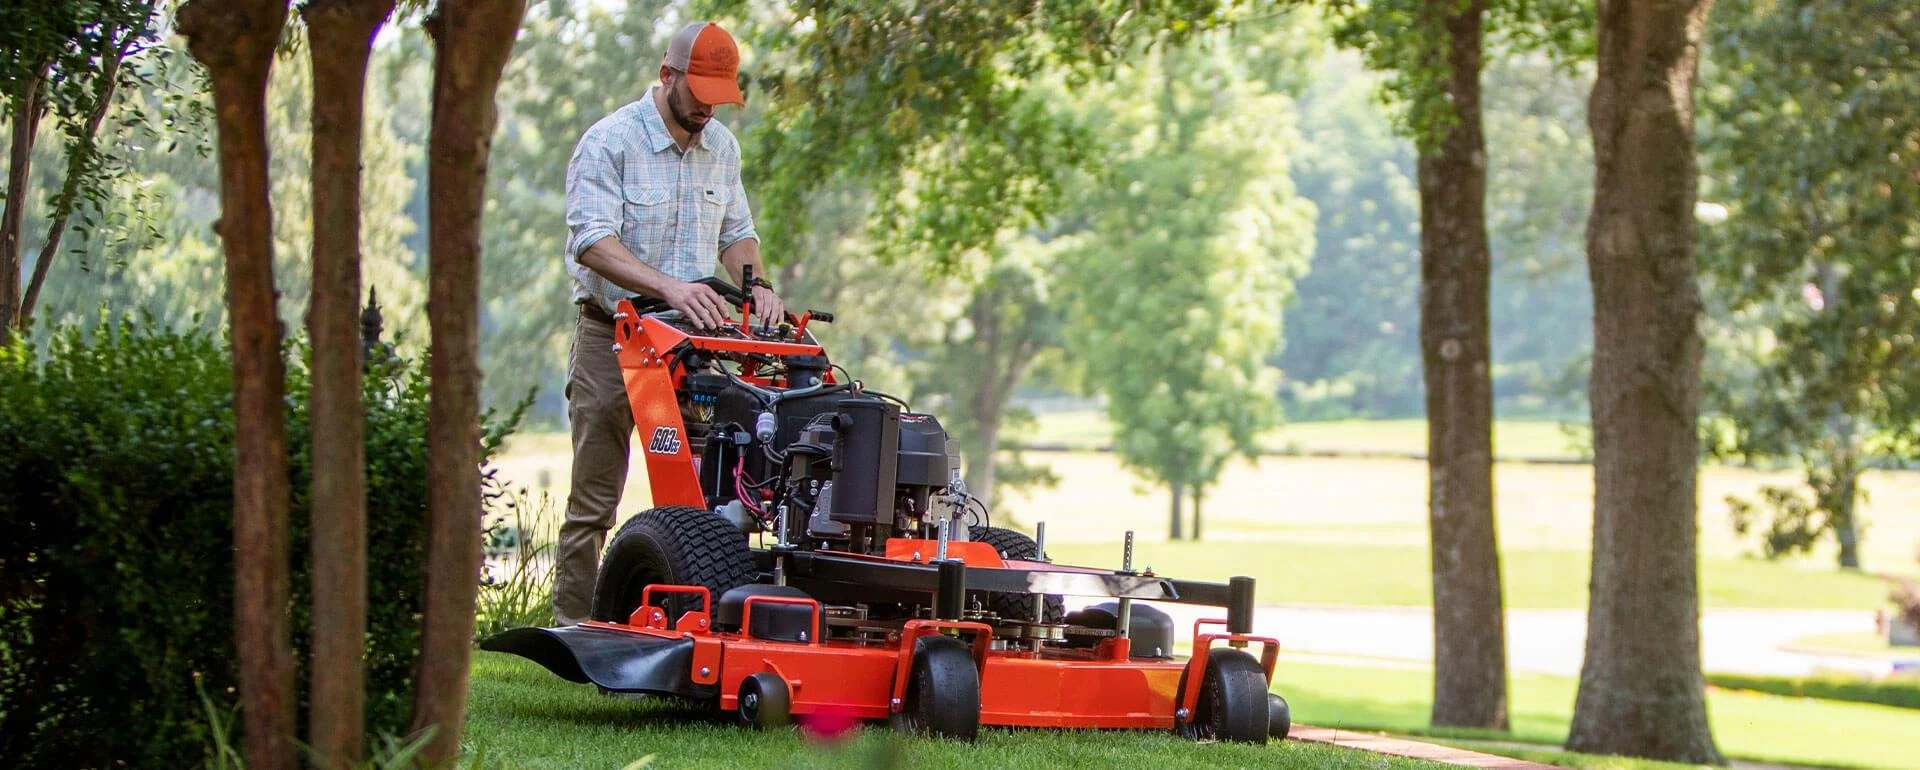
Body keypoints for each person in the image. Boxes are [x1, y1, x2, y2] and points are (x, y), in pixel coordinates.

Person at [553, 21, 783, 626]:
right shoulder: (610, 143)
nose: (708, 107)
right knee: (594, 501)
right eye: (698, 92)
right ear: (667, 75)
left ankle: (704, 627)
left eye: (718, 95)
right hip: (615, 334)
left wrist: (756, 288)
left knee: (713, 496)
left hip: (693, 349)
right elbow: (592, 242)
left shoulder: (723, 148)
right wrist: (669, 287)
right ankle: (576, 627)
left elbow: (738, 236)